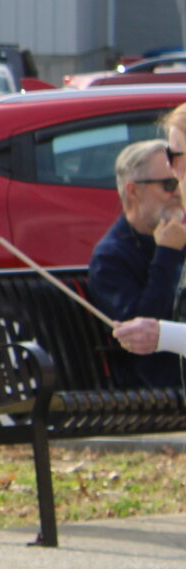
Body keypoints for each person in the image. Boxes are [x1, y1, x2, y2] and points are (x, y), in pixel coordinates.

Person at [88, 139, 186, 385]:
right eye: (169, 184)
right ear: (133, 190)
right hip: (155, 378)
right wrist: (167, 253)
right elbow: (143, 334)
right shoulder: (110, 256)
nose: (179, 192)